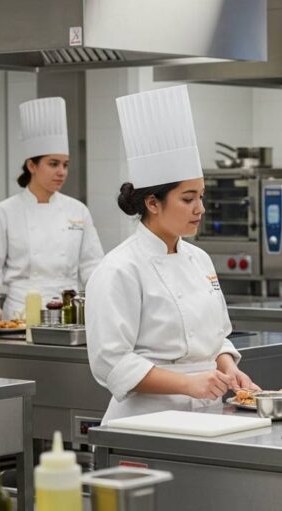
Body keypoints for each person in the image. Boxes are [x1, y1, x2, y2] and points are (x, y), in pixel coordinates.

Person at [86, 85, 257, 421]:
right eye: (188, 199)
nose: (200, 208)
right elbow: (111, 362)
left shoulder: (199, 259)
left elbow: (217, 338)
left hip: (208, 415)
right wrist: (187, 384)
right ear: (153, 203)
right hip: (144, 421)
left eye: (201, 196)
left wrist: (228, 368)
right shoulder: (119, 268)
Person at [0, 97, 103, 325]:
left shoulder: (78, 211)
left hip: (69, 314)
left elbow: (93, 267)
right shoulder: (4, 212)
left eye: (65, 164)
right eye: (53, 164)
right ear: (31, 165)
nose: (62, 172)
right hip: (21, 316)